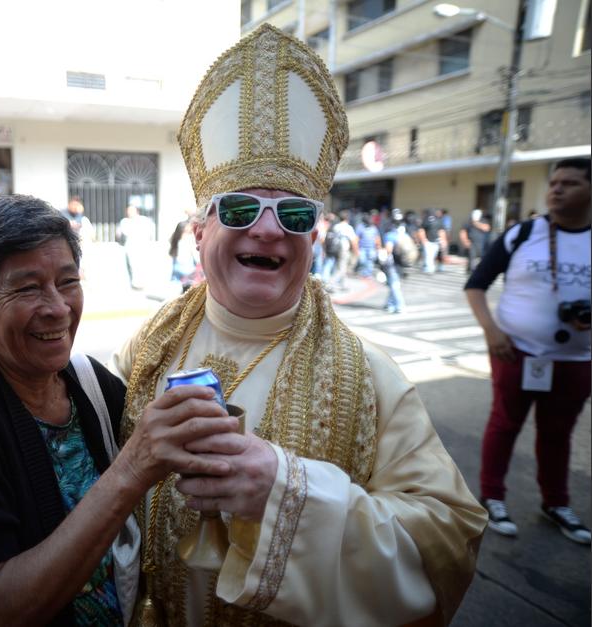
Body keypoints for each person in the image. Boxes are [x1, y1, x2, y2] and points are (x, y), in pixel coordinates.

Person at [112, 24, 486, 626]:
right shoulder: (145, 348)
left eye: (292, 213)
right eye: (238, 208)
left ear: (314, 236)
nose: (267, 230)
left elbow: (450, 543)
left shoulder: (372, 378)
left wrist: (287, 495)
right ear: (201, 230)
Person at [0, 195, 236, 626]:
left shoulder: (90, 383)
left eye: (67, 281)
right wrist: (131, 470)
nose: (58, 308)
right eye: (27, 287)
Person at [464, 157, 591, 545]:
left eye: (568, 183)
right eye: (554, 182)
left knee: (558, 433)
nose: (556, 189)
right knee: (504, 425)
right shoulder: (523, 233)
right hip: (515, 353)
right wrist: (492, 333)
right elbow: (476, 284)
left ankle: (556, 503)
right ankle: (493, 497)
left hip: (576, 360)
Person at [117, 204, 154, 289]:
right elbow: (121, 233)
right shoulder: (125, 221)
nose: (130, 213)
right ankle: (134, 284)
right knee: (131, 265)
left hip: (141, 246)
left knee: (141, 265)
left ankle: (141, 283)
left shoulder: (144, 220)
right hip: (130, 247)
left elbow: (150, 232)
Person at [380, 210, 408, 313]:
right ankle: (389, 305)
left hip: (392, 263)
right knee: (394, 283)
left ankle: (400, 306)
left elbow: (388, 250)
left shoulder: (390, 233)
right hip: (402, 262)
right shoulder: (403, 231)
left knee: (394, 285)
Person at [169, 217, 200, 292]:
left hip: (184, 277)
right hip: (184, 277)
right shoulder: (185, 242)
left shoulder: (177, 242)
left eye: (189, 232)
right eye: (187, 232)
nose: (189, 234)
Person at [458, 208, 492, 273]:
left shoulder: (483, 220)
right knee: (471, 256)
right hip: (471, 242)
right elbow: (463, 231)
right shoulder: (468, 221)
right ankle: (470, 270)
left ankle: (480, 270)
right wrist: (465, 241)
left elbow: (487, 228)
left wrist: (476, 223)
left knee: (482, 256)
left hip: (482, 243)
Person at [354, 212, 381, 277]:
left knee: (370, 262)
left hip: (372, 248)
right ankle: (361, 272)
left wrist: (379, 247)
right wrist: (356, 249)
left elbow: (377, 238)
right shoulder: (360, 227)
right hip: (362, 248)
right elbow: (356, 238)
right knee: (362, 261)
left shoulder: (374, 228)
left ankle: (367, 275)